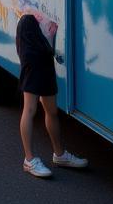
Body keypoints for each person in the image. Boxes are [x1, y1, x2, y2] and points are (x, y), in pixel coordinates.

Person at [16, 12, 88, 177]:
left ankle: (59, 154)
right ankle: (29, 160)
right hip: (33, 52)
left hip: (45, 55)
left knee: (52, 111)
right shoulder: (27, 20)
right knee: (30, 109)